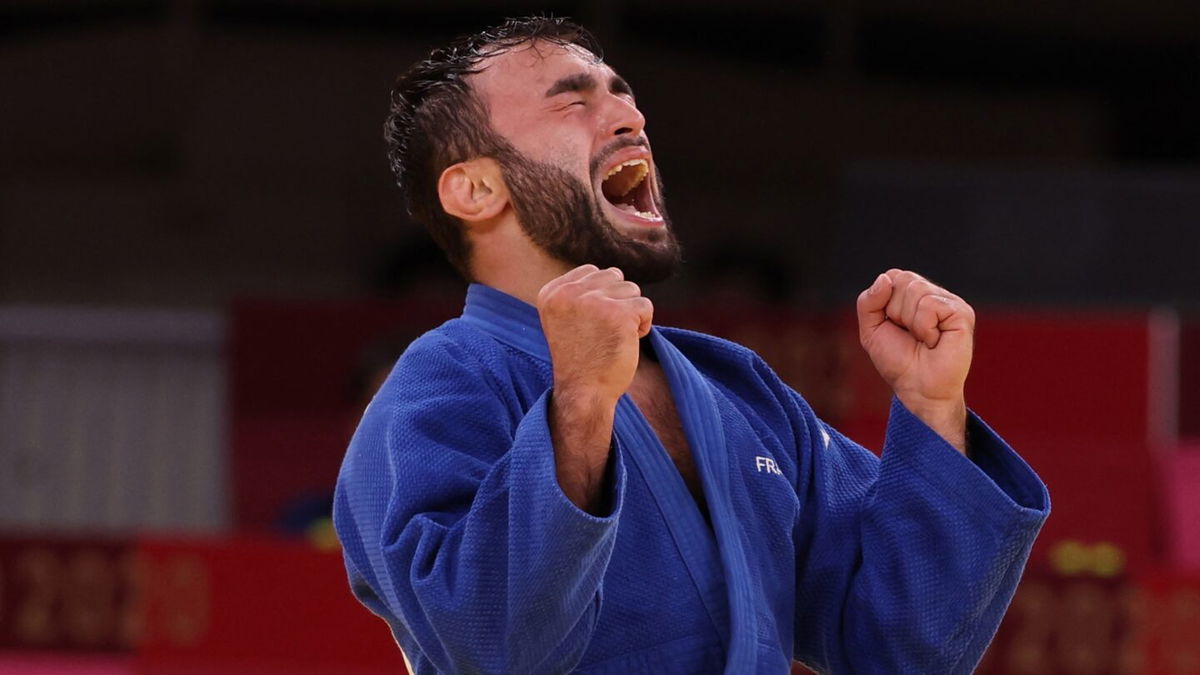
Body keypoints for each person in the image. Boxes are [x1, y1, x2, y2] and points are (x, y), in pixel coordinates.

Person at [333, 16, 1050, 674]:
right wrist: (580, 403)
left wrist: (933, 409)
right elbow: (491, 647)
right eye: (573, 100)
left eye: (624, 93)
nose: (630, 115)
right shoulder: (438, 388)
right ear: (476, 189)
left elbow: (901, 649)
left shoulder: (734, 386)